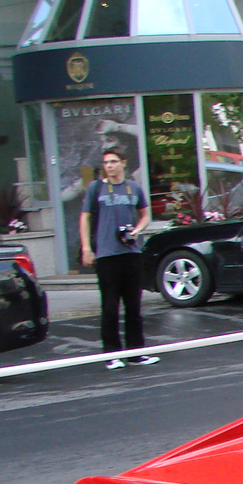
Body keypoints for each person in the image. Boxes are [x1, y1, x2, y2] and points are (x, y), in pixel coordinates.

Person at [79, 147, 158, 369]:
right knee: (110, 307)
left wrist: (136, 231)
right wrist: (87, 247)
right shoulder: (97, 188)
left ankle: (136, 353)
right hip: (107, 255)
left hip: (130, 254)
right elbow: (85, 218)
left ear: (123, 163)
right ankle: (111, 354)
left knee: (134, 307)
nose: (110, 166)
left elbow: (145, 215)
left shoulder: (133, 188)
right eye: (106, 162)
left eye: (114, 161)